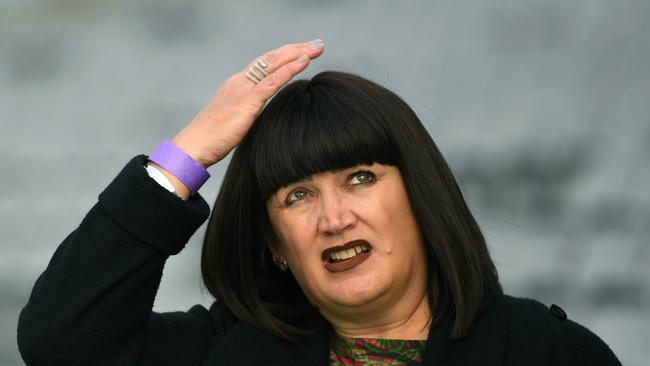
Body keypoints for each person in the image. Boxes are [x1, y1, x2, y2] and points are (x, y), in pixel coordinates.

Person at [17, 40, 621, 365]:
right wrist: (189, 152)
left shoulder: (550, 352)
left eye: (361, 178)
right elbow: (62, 342)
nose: (334, 219)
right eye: (297, 195)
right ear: (275, 245)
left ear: (421, 200)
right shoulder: (224, 351)